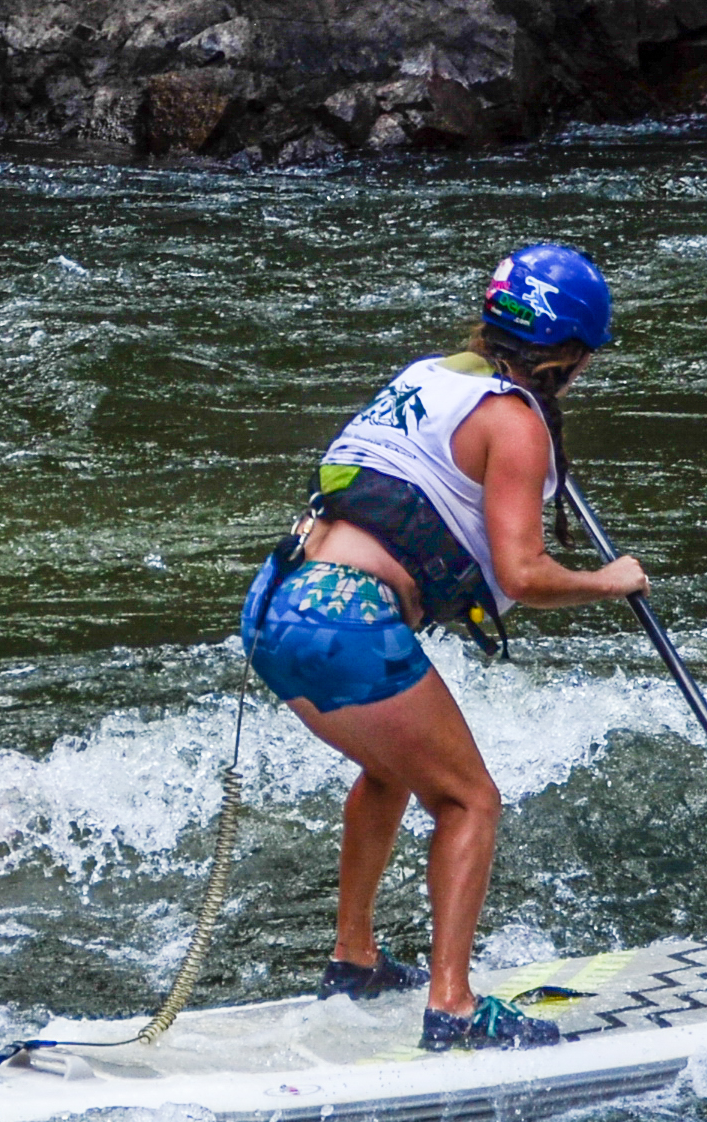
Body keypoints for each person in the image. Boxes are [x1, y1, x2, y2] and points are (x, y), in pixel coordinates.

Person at [240, 245, 648, 1051]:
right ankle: (453, 1006)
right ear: (567, 356)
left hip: (275, 604)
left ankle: (354, 959)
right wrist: (612, 580)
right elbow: (524, 575)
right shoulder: (516, 420)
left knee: (391, 772)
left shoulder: (428, 376)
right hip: (344, 616)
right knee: (470, 800)